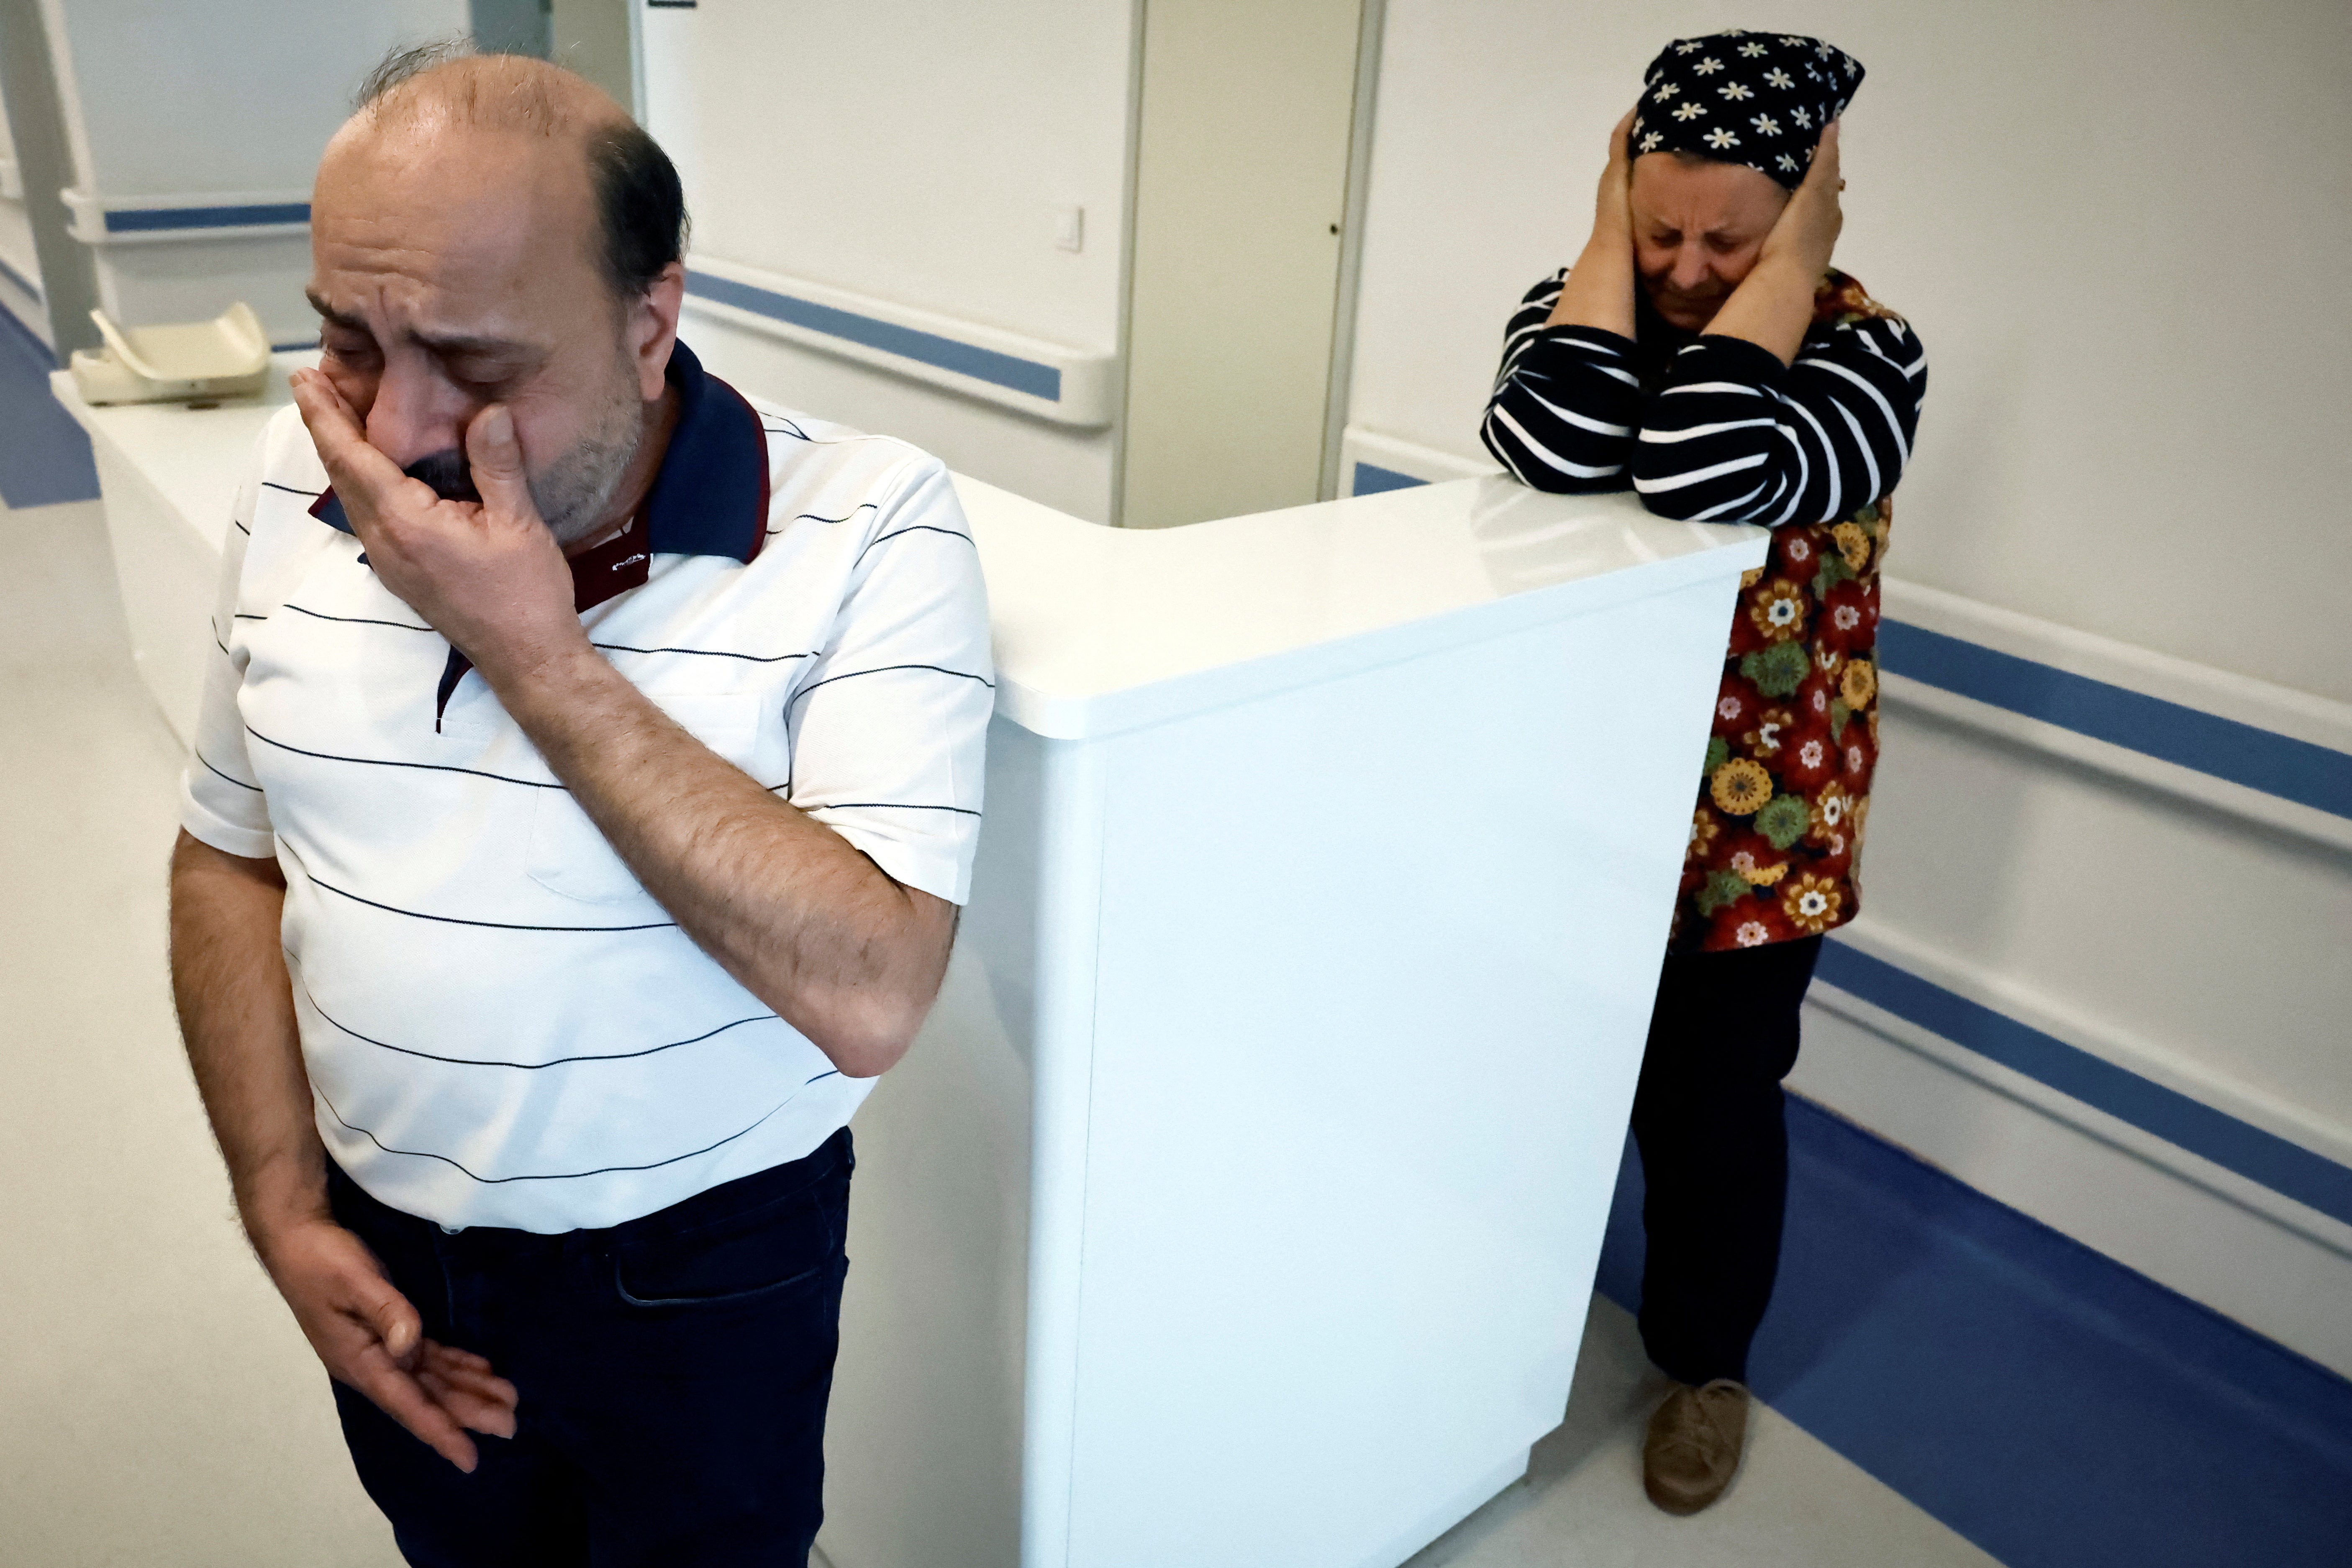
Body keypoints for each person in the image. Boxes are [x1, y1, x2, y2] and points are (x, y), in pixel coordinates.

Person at [167, 45, 991, 1565]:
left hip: (703, 1268)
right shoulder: (296, 463)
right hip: (382, 1228)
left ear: (651, 321)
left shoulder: (871, 521)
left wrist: (530, 645)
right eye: (348, 335)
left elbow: (875, 990)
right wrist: (286, 1208)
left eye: (477, 367)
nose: (400, 430)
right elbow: (229, 856)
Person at [1481, 31, 1927, 1516]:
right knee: (1526, 1075)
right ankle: (1482, 1334)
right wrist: (1604, 240)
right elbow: (1549, 445)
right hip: (1572, 792)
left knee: (1713, 1110)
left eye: (1727, 239)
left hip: (1760, 825)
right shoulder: (1569, 317)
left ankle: (1702, 1363)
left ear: (1805, 215)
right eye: (1656, 227)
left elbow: (1705, 468)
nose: (1681, 269)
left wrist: (1796, 266)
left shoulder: (1870, 353)